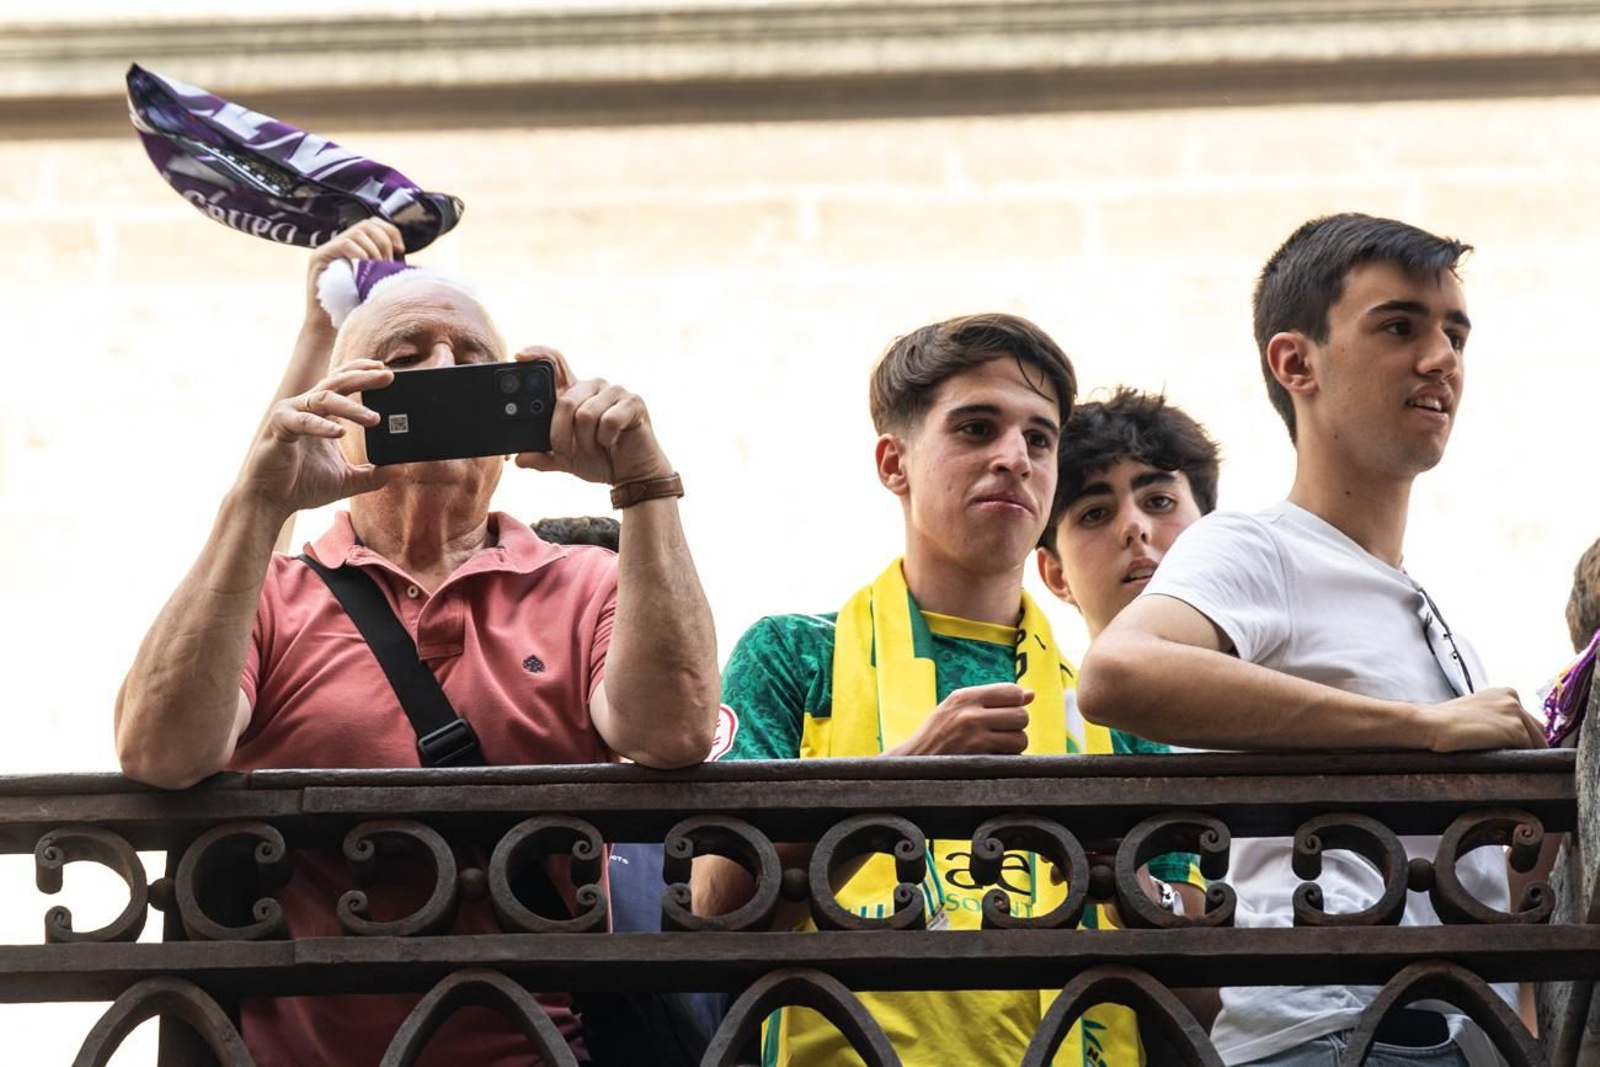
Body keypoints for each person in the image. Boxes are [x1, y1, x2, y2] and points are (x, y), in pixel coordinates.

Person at [114, 232, 719, 1066]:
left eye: (472, 359)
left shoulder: (587, 580)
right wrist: (257, 503)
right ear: (341, 410)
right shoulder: (270, 591)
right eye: (405, 355)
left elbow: (672, 733)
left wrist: (644, 483)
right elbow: (159, 751)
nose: (441, 370)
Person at [1079, 213, 1544, 1066]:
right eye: (1399, 326)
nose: (1441, 357)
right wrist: (1423, 728)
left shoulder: (1438, 620)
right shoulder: (1258, 543)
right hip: (1332, 1037)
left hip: (1455, 1038)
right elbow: (1118, 671)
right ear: (1296, 363)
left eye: (1455, 333)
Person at [693, 313, 1193, 1067]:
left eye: (1039, 437)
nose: (1014, 458)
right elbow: (717, 904)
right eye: (975, 428)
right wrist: (904, 776)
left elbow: (1205, 987)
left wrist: (1114, 865)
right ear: (893, 462)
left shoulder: (1111, 703)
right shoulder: (794, 653)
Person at [1036, 387, 1220, 644]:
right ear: (1056, 574)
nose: (1133, 526)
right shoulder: (1027, 685)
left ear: (1213, 532)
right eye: (1095, 513)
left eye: (1159, 501)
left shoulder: (1290, 670)